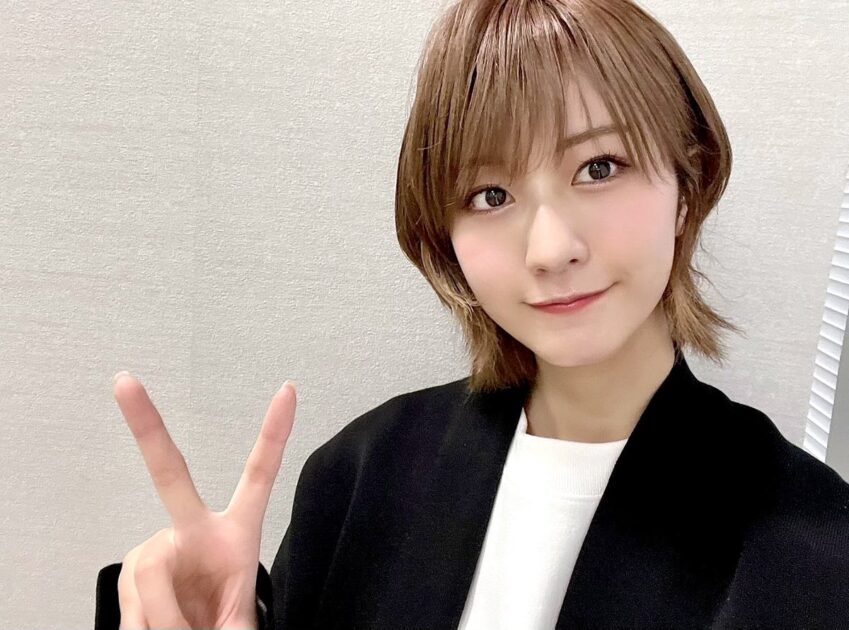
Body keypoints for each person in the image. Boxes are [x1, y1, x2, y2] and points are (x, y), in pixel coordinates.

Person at [94, 0, 849, 628]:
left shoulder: (813, 552)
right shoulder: (361, 477)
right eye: (491, 195)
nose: (550, 250)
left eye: (599, 167)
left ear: (688, 182)